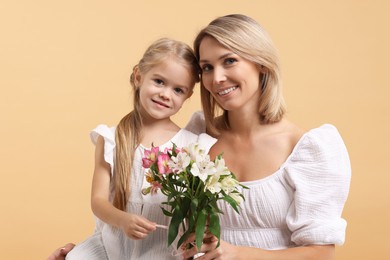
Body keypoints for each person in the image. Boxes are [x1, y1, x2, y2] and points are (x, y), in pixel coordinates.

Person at [180, 14, 351, 260]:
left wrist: (238, 254)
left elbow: (322, 254)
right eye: (207, 67)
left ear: (261, 63)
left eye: (229, 61)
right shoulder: (198, 135)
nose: (216, 78)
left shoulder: (306, 149)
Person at [55, 38, 216, 260]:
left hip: (163, 250)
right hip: (111, 244)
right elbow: (98, 201)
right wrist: (123, 220)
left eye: (178, 90)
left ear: (187, 95)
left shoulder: (192, 146)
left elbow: (197, 207)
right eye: (159, 81)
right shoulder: (112, 139)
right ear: (139, 76)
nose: (166, 94)